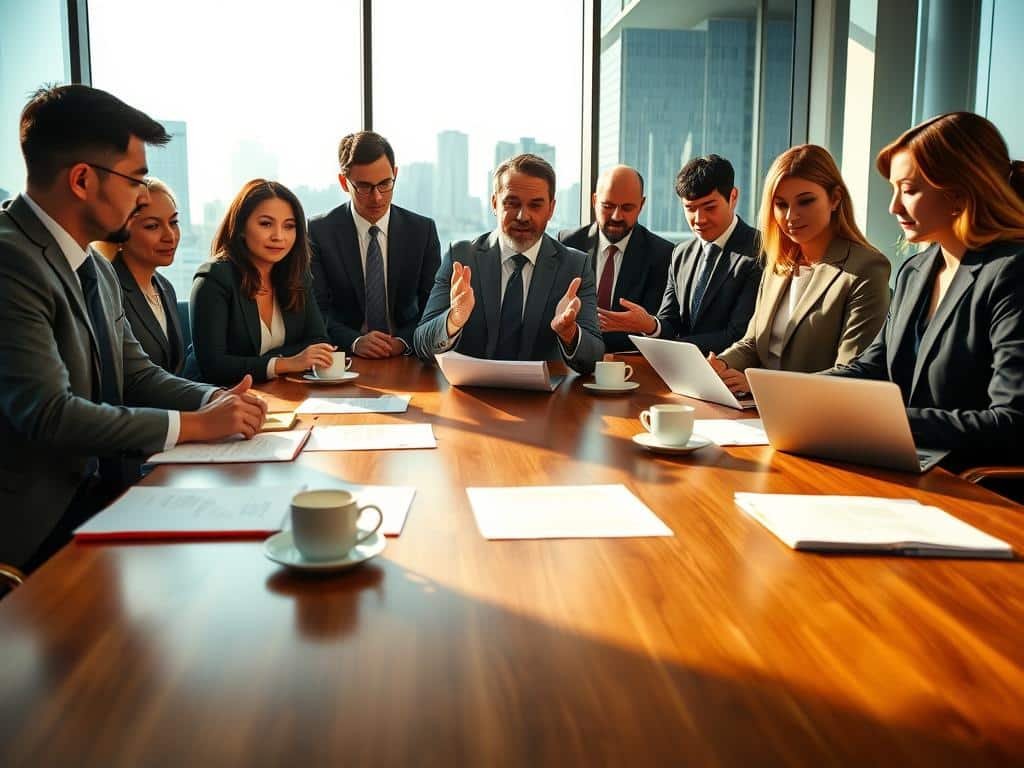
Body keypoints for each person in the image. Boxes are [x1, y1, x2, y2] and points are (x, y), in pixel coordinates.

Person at [0, 85, 266, 571]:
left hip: (104, 500)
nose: (142, 195)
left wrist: (212, 400)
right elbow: (49, 414)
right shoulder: (10, 261)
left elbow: (137, 374)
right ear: (82, 180)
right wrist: (194, 425)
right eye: (135, 179)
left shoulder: (94, 268)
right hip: (32, 533)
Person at [832, 112, 1024, 468]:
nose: (893, 207)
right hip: (909, 467)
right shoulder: (915, 271)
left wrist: (887, 421)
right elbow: (872, 369)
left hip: (977, 489)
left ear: (960, 193)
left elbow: (1012, 423)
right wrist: (790, 395)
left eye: (908, 190)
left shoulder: (1012, 273)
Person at [710, 145, 890, 394]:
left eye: (805, 201)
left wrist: (761, 386)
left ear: (835, 198)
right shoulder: (778, 265)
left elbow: (852, 372)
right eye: (781, 204)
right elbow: (753, 343)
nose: (791, 216)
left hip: (815, 417)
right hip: (755, 409)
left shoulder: (866, 269)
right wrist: (719, 364)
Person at [413, 153, 603, 373]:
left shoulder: (574, 266)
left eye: (535, 205)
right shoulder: (461, 257)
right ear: (495, 203)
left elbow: (594, 358)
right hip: (472, 396)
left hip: (545, 401)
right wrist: (453, 320)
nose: (523, 216)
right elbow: (421, 345)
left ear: (551, 209)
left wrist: (569, 332)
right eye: (512, 203)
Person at [189, 180, 335, 387]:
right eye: (266, 224)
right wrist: (283, 363)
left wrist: (276, 362)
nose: (278, 236)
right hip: (215, 398)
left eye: (289, 226)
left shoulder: (296, 275)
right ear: (240, 227)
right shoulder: (214, 277)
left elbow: (319, 343)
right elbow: (214, 366)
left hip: (276, 392)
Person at [309, 131, 440, 359]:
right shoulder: (320, 231)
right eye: (364, 186)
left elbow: (433, 307)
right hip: (345, 358)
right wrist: (354, 341)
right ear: (344, 182)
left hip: (407, 357)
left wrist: (402, 342)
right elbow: (316, 310)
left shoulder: (422, 231)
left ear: (395, 174)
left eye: (385, 184)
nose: (377, 197)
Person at [647, 154, 762, 354]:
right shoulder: (681, 254)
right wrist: (650, 325)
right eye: (690, 209)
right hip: (680, 373)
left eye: (710, 207)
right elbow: (669, 322)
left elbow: (739, 335)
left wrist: (675, 345)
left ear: (733, 197)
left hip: (731, 375)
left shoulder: (759, 251)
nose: (699, 219)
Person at [557, 165, 672, 352]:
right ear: (594, 200)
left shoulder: (662, 254)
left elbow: (665, 326)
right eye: (608, 206)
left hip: (630, 365)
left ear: (641, 205)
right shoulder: (568, 242)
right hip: (574, 359)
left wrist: (647, 325)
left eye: (627, 207)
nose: (617, 216)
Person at [109, 178, 186, 375]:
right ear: (120, 231)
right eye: (152, 226)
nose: (170, 236)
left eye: (174, 222)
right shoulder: (108, 287)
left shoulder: (165, 287)